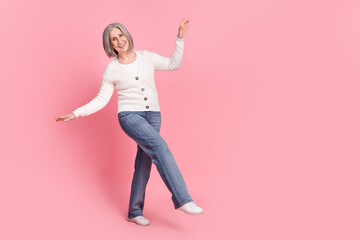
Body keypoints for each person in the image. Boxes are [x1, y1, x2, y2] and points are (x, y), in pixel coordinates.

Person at [55, 18, 203, 226]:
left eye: (121, 35)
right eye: (113, 39)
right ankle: (183, 199)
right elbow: (101, 99)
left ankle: (134, 211)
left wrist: (180, 38)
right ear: (110, 45)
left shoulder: (146, 57)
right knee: (160, 147)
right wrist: (76, 113)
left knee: (144, 162)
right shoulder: (111, 69)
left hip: (153, 115)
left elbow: (173, 64)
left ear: (127, 36)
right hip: (130, 116)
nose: (119, 40)